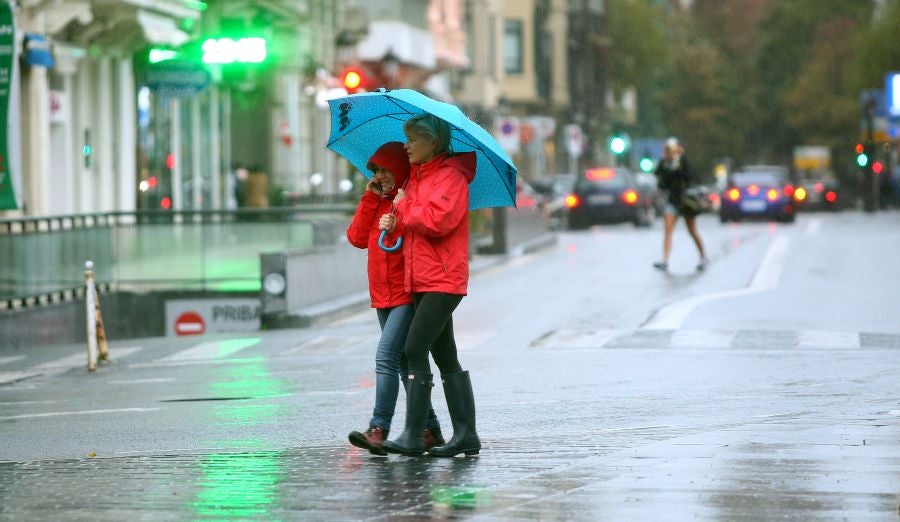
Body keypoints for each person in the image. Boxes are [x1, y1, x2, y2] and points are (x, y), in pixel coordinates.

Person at [377, 114, 482, 458]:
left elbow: (439, 220)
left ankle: (413, 433)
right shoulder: (418, 178)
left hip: (443, 278)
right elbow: (413, 222)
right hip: (420, 277)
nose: (406, 145)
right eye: (406, 138)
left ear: (433, 142)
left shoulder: (450, 177)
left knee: (413, 348)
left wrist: (405, 210)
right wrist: (394, 219)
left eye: (413, 139)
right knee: (444, 353)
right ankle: (466, 434)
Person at [345, 142, 444, 456]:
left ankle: (379, 428)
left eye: (385, 169)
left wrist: (398, 216)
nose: (381, 175)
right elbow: (357, 238)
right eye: (376, 170)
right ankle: (431, 428)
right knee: (402, 363)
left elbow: (418, 239)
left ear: (399, 169)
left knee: (386, 356)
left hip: (405, 292)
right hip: (382, 294)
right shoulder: (378, 200)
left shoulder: (408, 199)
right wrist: (371, 196)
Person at [653, 138, 708, 272]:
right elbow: (660, 181)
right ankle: (665, 260)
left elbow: (690, 176)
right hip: (673, 201)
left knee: (692, 231)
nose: (670, 151)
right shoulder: (665, 163)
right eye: (667, 149)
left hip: (686, 202)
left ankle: (703, 256)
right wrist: (665, 164)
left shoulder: (683, 160)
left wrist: (676, 167)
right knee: (668, 230)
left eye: (672, 148)